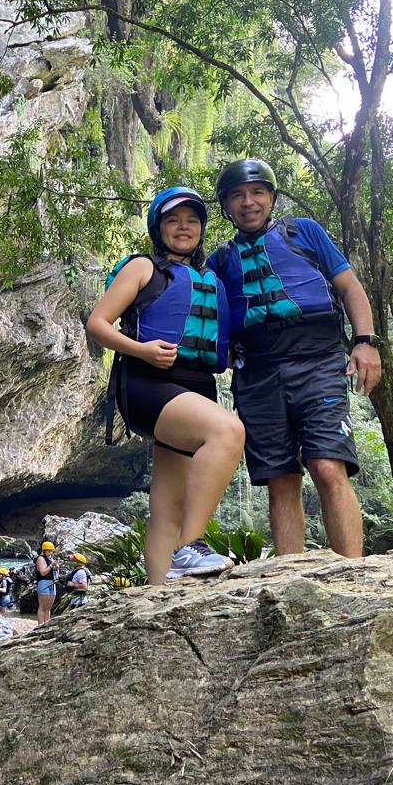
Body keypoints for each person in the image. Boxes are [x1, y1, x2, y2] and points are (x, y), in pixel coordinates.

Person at [209, 160, 381, 558]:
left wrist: (365, 341)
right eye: (237, 195)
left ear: (271, 197)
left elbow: (349, 285)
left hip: (318, 362)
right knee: (280, 478)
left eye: (257, 192)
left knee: (327, 465)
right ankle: (293, 577)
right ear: (226, 205)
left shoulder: (304, 232)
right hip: (257, 373)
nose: (248, 202)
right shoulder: (220, 261)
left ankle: (352, 574)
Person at [87, 187, 246, 584]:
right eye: (173, 220)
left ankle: (159, 598)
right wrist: (142, 350)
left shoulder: (212, 280)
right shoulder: (144, 268)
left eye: (192, 220)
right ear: (159, 228)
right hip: (148, 382)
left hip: (196, 386)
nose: (183, 227)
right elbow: (98, 324)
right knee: (228, 431)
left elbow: (221, 352)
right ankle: (192, 545)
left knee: (166, 507)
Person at [34, 541, 58, 624]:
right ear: (44, 550)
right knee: (42, 607)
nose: (50, 552)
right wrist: (51, 565)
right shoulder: (40, 558)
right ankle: (40, 625)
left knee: (48, 608)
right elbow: (43, 572)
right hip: (43, 582)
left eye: (51, 551)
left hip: (52, 582)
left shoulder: (50, 559)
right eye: (49, 551)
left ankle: (47, 624)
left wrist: (56, 567)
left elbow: (56, 574)